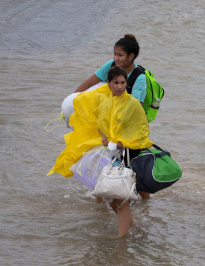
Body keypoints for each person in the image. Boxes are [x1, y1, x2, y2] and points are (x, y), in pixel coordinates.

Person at [48, 66, 154, 237]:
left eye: (122, 82)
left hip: (128, 153)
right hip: (110, 153)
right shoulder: (106, 102)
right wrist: (104, 136)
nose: (119, 86)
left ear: (126, 84)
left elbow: (142, 130)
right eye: (116, 83)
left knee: (120, 198)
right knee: (111, 199)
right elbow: (100, 123)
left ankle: (121, 240)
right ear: (109, 84)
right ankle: (131, 223)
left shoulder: (133, 104)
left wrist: (122, 143)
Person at [74, 34, 147, 106]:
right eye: (115, 54)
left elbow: (136, 107)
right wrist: (72, 99)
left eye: (120, 55)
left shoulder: (139, 77)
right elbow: (90, 82)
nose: (116, 58)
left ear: (131, 56)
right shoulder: (111, 65)